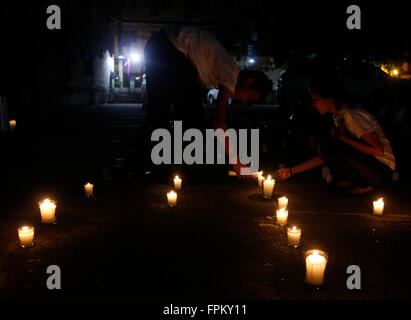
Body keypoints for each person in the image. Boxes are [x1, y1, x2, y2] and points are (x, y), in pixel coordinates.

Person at [136, 24, 272, 177]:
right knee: (177, 115)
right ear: (248, 82)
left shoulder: (226, 70)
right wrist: (237, 161)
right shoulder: (231, 75)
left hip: (162, 47)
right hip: (169, 49)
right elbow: (219, 123)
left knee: (177, 115)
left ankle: (158, 163)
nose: (246, 100)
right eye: (251, 96)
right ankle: (143, 163)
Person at [275, 69, 395, 194]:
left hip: (382, 170)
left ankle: (365, 184)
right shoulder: (338, 116)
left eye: (315, 99)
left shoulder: (352, 115)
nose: (313, 104)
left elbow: (378, 150)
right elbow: (327, 156)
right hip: (369, 167)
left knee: (325, 144)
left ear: (330, 99)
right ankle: (359, 181)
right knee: (324, 145)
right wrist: (291, 171)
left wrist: (344, 139)